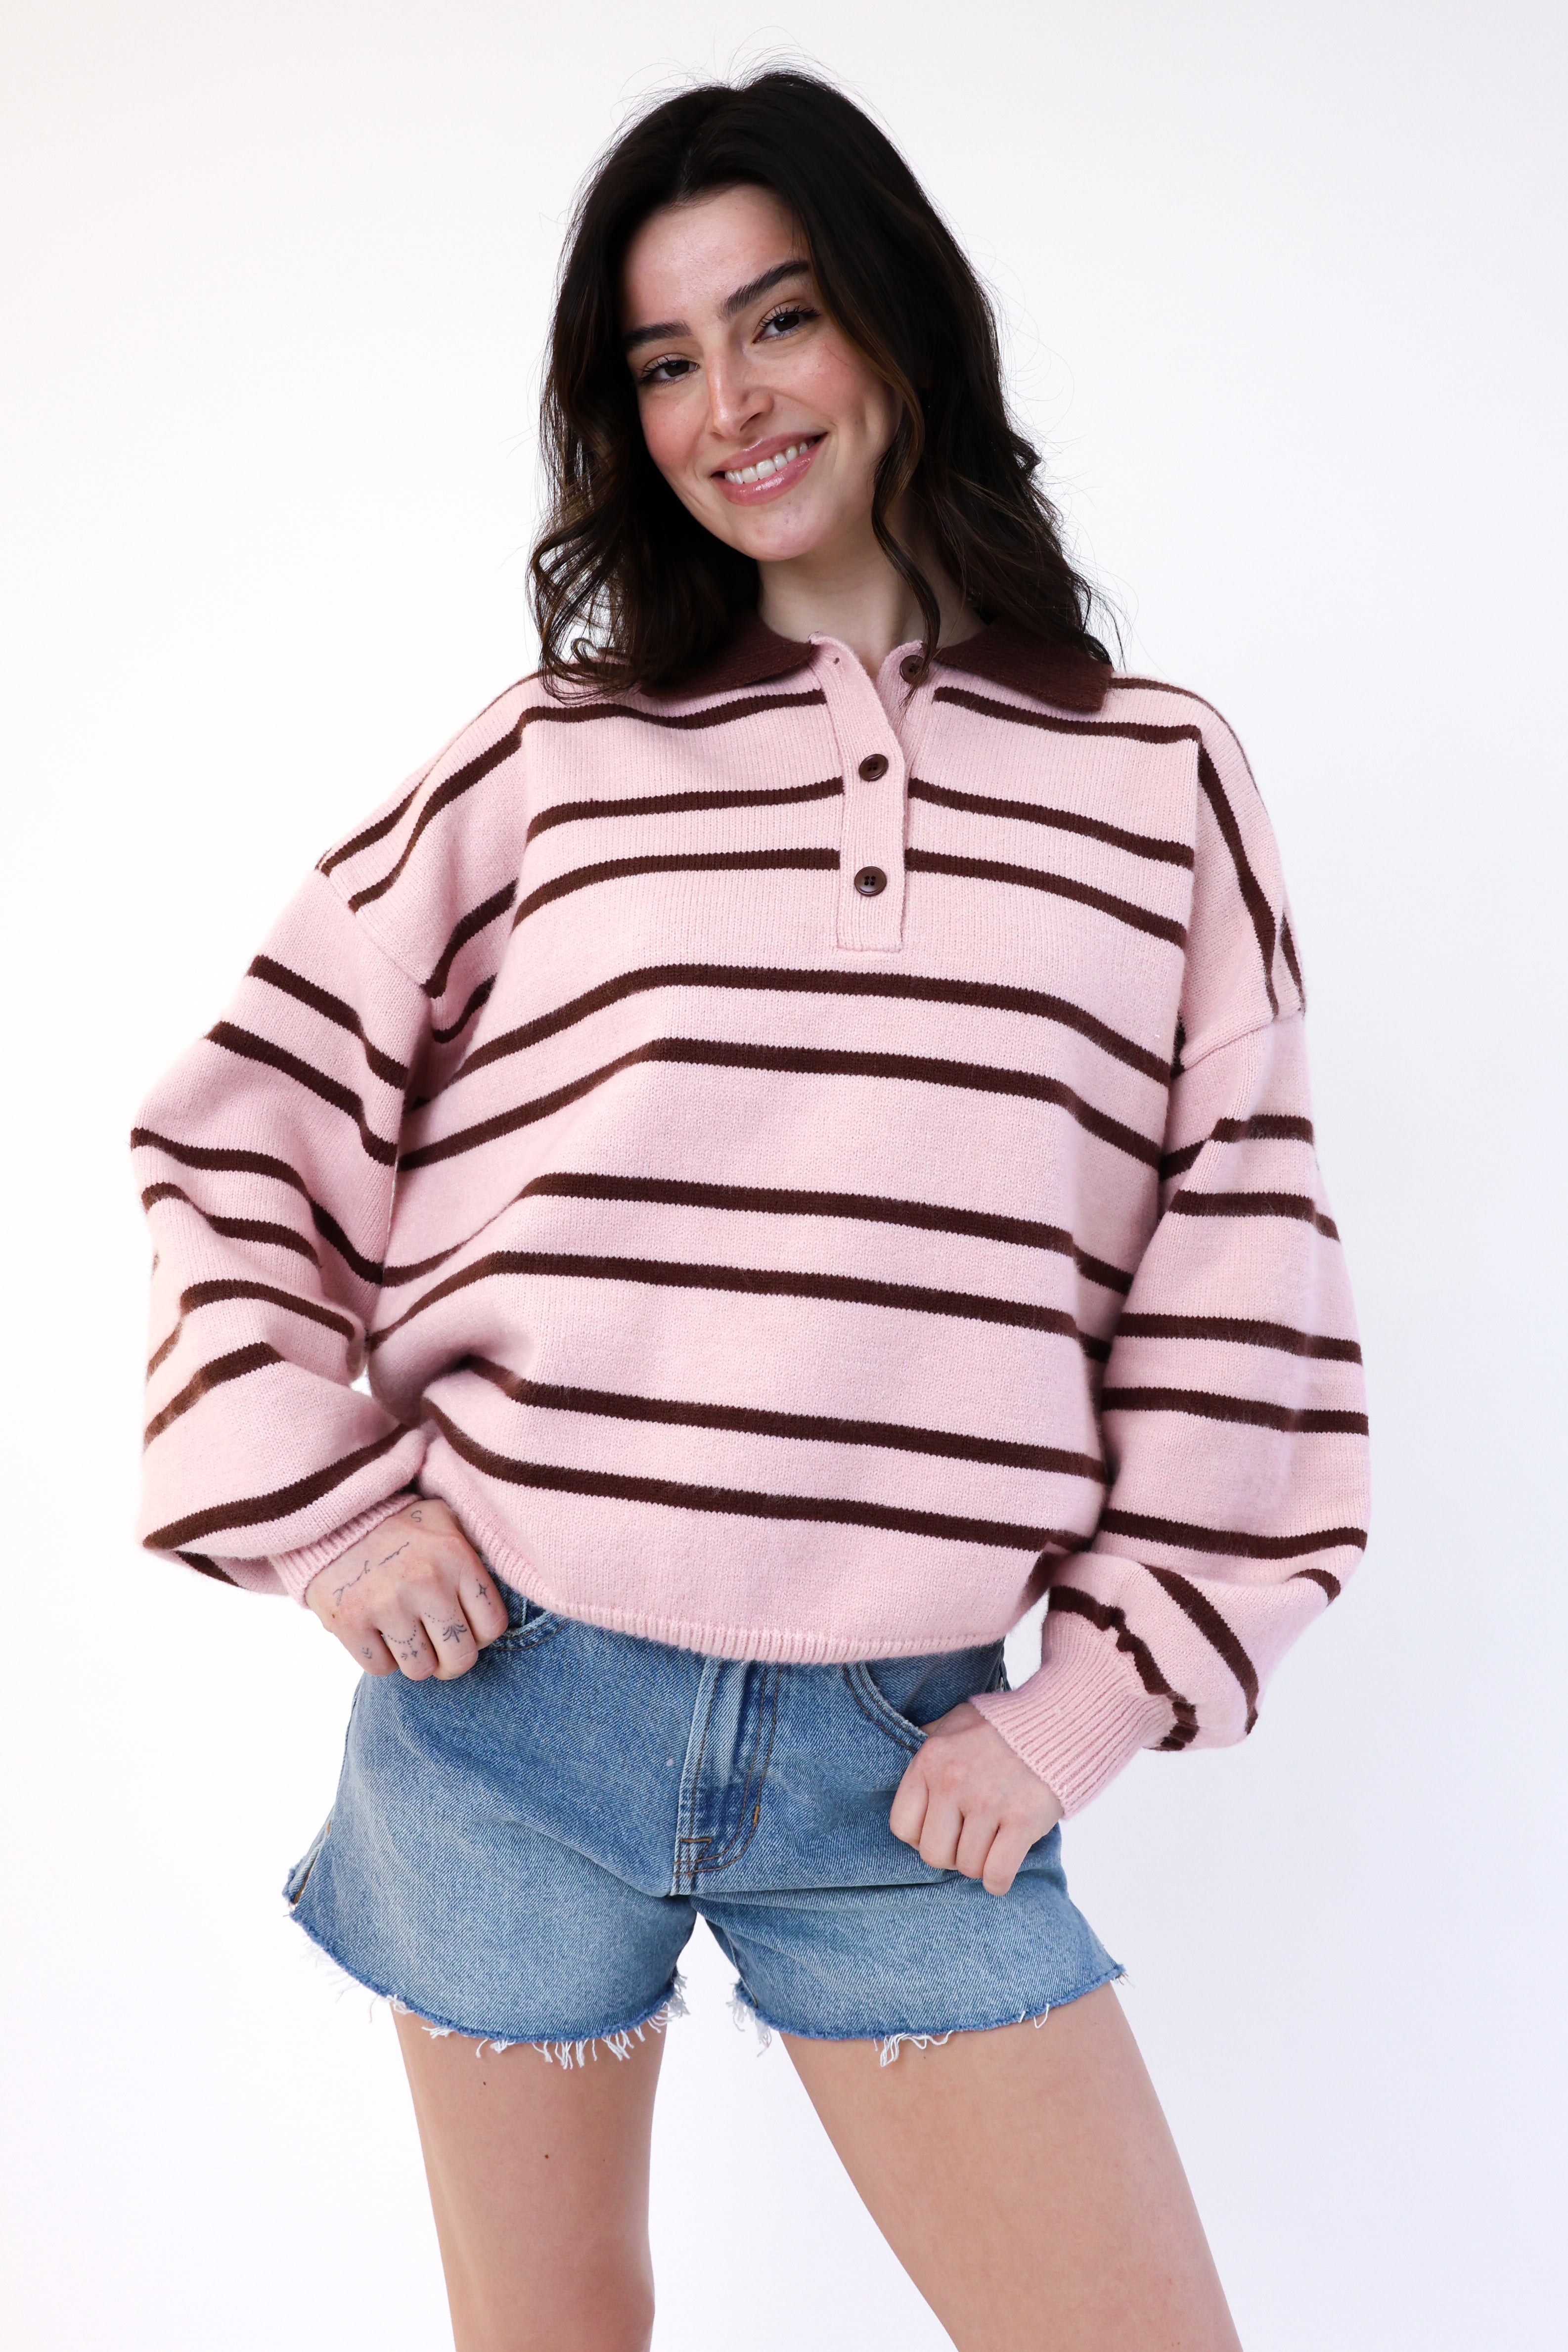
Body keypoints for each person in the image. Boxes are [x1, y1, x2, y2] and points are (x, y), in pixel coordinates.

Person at [131, 69, 1369, 2352]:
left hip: (910, 1767)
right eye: (664, 359)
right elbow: (235, 1135)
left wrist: (1083, 1706)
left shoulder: (1156, 775)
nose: (729, 402)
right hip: (503, 1706)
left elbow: (1245, 1291)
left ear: (895, 328)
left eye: (776, 319)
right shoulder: (550, 757)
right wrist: (331, 1515)